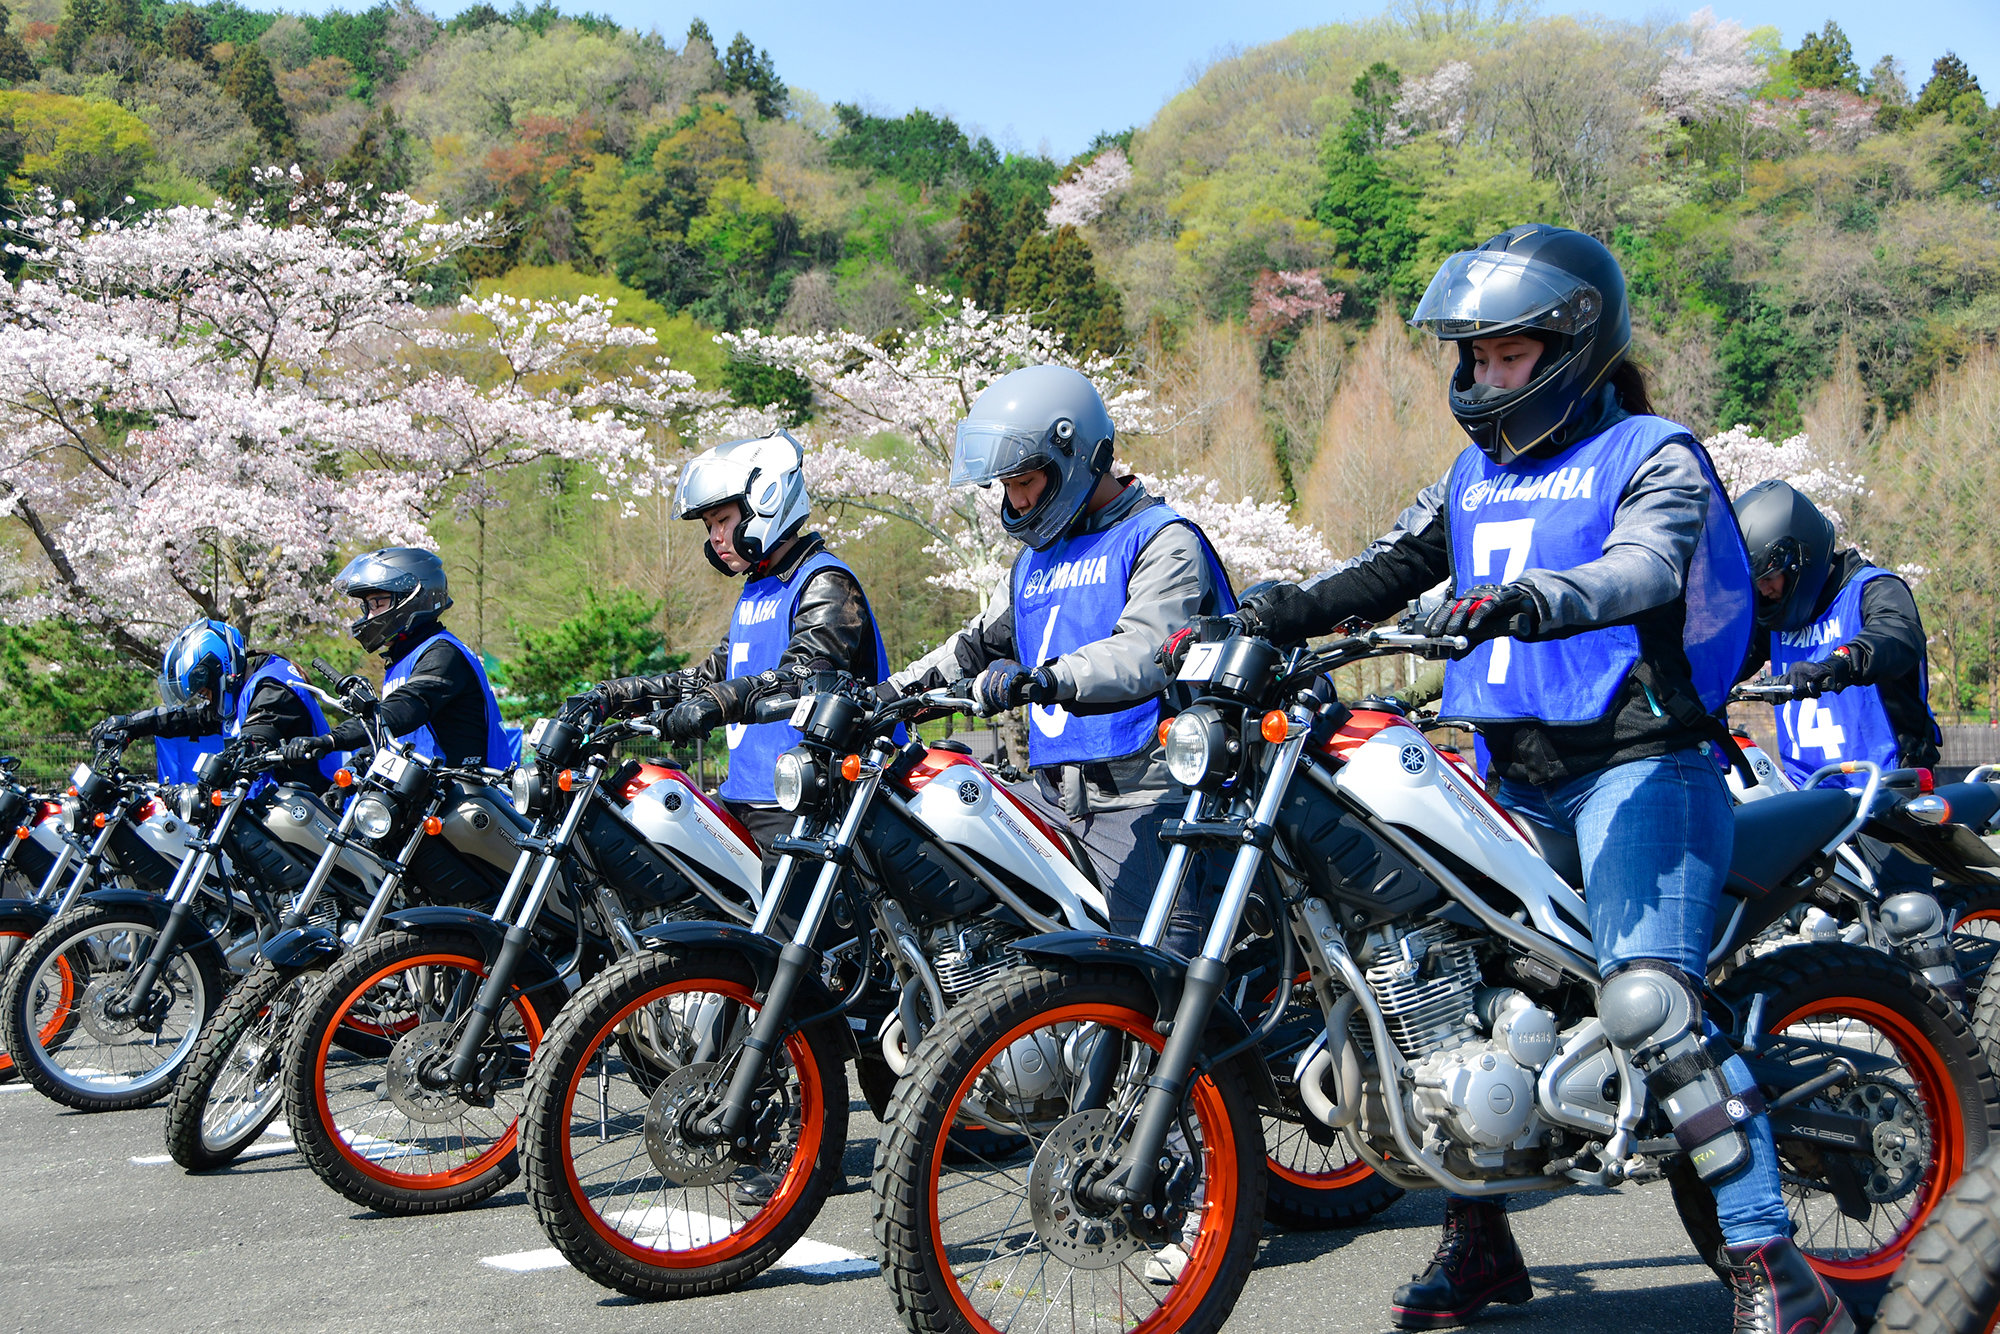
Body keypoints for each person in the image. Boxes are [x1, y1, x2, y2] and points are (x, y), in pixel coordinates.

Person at [1226, 226, 1848, 1332]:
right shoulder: (1472, 473)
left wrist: (1534, 597)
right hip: (1505, 767)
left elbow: (1648, 563)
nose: (1485, 378)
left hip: (1639, 767)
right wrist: (1277, 606)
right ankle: (1480, 1247)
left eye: (1508, 356)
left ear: (1572, 344)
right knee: (1458, 1003)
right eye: (1472, 357)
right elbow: (1390, 565)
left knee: (1649, 1006)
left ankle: (1770, 1264)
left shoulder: (1651, 452)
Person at [888, 364, 1236, 948]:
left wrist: (1045, 680)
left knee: (1157, 992)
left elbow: (1148, 649)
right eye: (1005, 486)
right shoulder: (1035, 563)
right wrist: (890, 696)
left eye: (1025, 481)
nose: (1015, 502)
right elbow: (973, 647)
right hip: (1055, 796)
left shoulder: (1161, 538)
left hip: (1146, 796)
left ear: (1072, 456)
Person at [567, 430, 892, 859]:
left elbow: (804, 675)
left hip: (809, 802)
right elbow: (714, 675)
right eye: (709, 527)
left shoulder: (824, 582)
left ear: (767, 503)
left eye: (723, 521)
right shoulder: (757, 590)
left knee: (782, 928)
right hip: (745, 798)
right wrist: (619, 695)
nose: (716, 538)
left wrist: (716, 703)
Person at [279, 548, 513, 773]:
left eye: (377, 604)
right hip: (432, 796)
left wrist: (331, 739)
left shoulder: (443, 653)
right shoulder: (403, 659)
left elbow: (401, 712)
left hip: (476, 798)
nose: (369, 616)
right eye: (366, 607)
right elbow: (391, 737)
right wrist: (355, 769)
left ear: (412, 599)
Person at [90, 618, 336, 793]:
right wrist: (135, 724)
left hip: (316, 808)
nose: (204, 698)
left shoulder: (273, 689)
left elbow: (254, 740)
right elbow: (197, 718)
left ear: (221, 672)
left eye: (205, 691)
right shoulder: (245, 687)